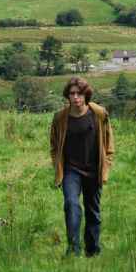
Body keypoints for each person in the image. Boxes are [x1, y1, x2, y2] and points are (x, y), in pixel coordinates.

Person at [49, 76, 114, 257]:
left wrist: (106, 163)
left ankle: (92, 251)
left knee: (93, 212)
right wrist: (58, 166)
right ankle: (73, 250)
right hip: (71, 171)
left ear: (86, 95)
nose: (76, 97)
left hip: (94, 170)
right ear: (68, 96)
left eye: (79, 93)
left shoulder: (99, 114)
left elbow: (109, 144)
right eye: (72, 94)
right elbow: (54, 146)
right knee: (71, 205)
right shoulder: (60, 117)